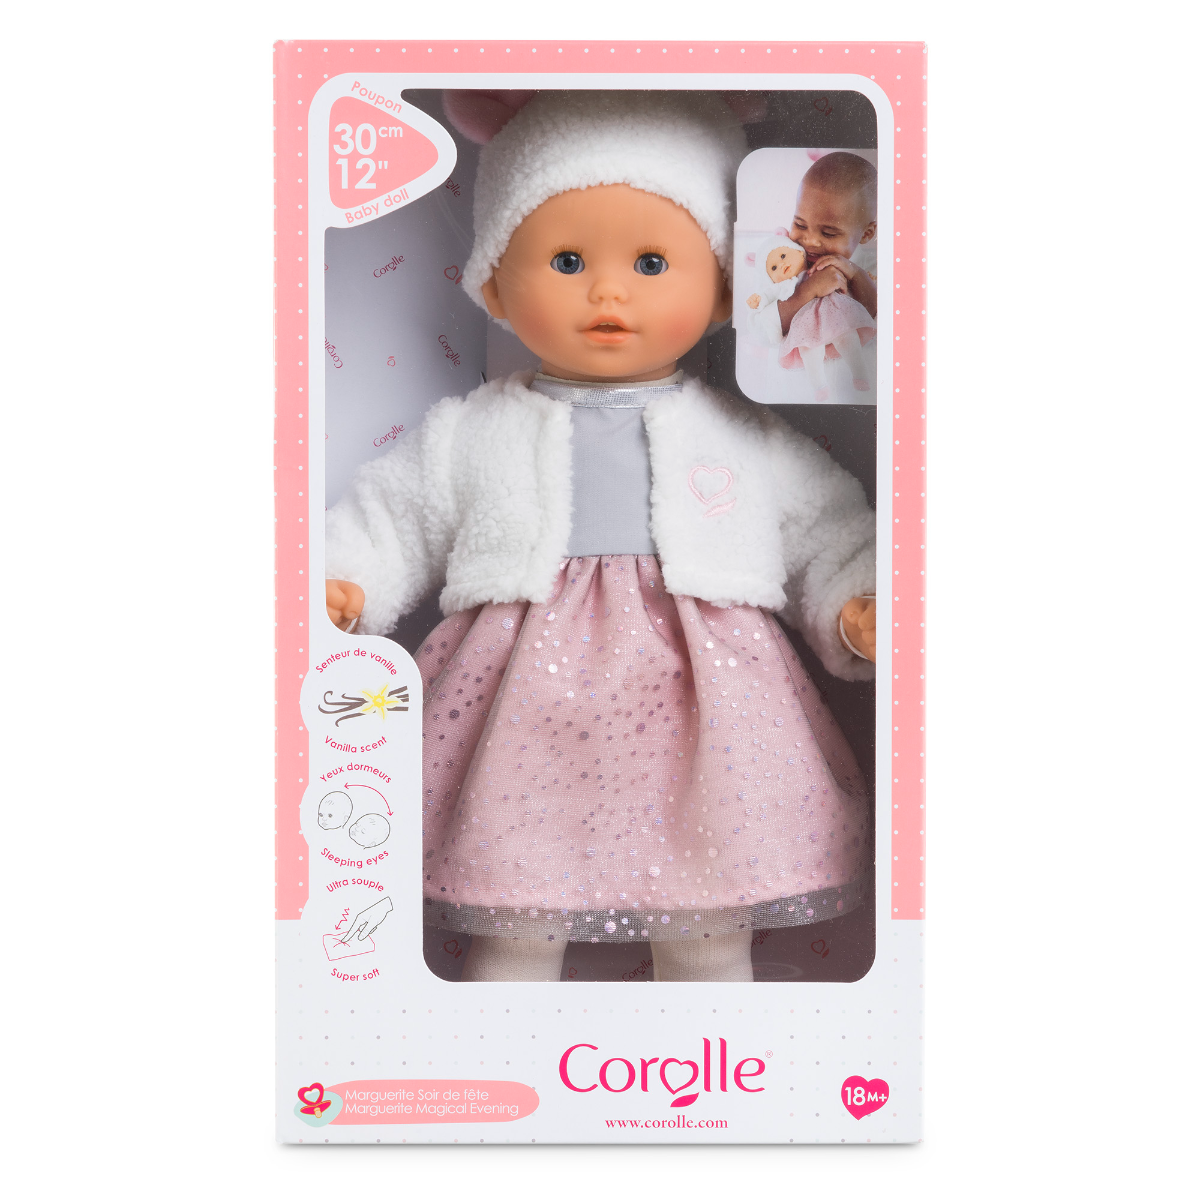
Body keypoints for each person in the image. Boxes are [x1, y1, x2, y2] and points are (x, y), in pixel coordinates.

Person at [324, 91, 877, 983]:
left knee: (709, 920)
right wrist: (348, 579)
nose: (609, 290)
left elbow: (823, 524)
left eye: (653, 262)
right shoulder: (473, 431)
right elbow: (396, 512)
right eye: (568, 260)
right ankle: (492, 1054)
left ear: (724, 289)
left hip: (710, 711)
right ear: (495, 283)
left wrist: (857, 597)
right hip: (519, 709)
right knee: (515, 917)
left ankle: (716, 1053)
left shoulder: (740, 437)